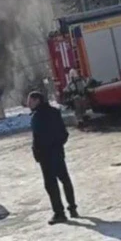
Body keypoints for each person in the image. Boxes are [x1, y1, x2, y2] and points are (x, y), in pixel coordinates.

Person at [28, 91, 78, 224]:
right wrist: (58, 145)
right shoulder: (54, 112)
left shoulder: (37, 117)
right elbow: (64, 133)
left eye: (30, 100)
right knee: (65, 179)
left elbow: (37, 138)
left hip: (46, 155)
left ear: (38, 100)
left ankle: (59, 213)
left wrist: (38, 152)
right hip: (57, 152)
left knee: (51, 185)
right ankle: (72, 208)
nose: (28, 104)